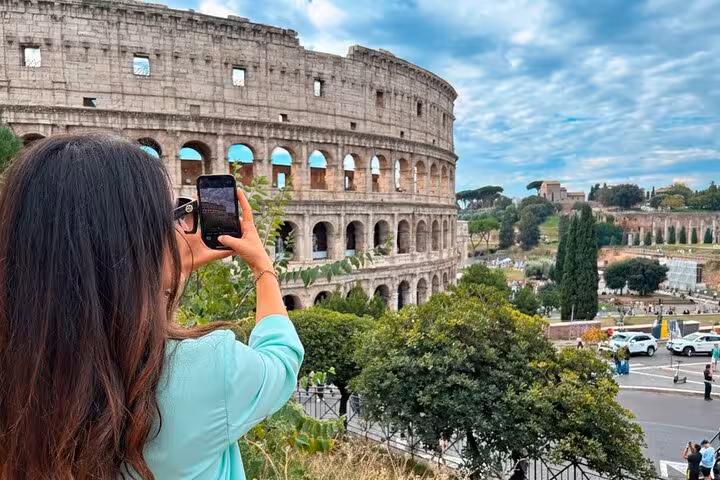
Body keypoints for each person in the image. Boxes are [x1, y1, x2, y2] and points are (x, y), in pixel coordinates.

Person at [0, 134, 305, 479]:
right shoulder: (209, 370)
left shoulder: (17, 370)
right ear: (140, 242)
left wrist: (163, 275)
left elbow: (106, 320)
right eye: (171, 217)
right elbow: (282, 359)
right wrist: (263, 269)